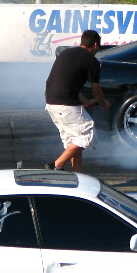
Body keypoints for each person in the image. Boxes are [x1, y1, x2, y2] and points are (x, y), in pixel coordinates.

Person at [45, 30, 111, 172]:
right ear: (95, 45)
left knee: (75, 142)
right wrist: (103, 103)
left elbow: (65, 83)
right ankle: (57, 164)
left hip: (51, 103)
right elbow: (96, 88)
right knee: (88, 135)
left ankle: (78, 176)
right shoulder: (91, 61)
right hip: (66, 106)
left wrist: (85, 101)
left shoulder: (65, 53)